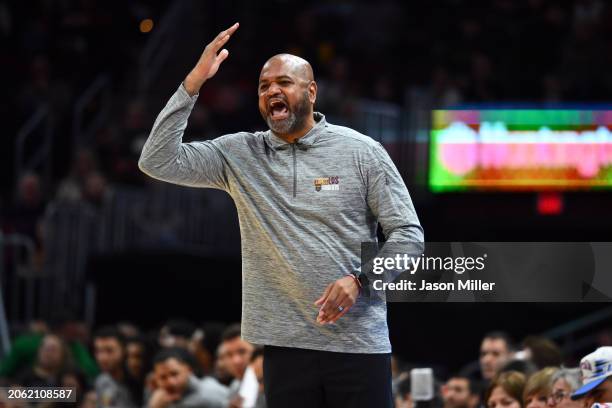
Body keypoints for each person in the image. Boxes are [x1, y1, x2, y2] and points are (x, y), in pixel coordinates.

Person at [138, 22, 423, 408]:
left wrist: (361, 279)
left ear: (311, 91)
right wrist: (192, 85)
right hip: (283, 348)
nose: (272, 90)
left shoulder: (362, 152)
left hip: (358, 345)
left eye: (284, 83)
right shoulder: (238, 154)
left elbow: (408, 237)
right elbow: (157, 160)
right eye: (263, 85)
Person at [147, 347, 228, 408]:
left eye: (174, 374)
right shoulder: (158, 398)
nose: (170, 382)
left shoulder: (211, 393)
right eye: (163, 377)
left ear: (189, 370)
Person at [92, 326, 139, 407]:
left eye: (109, 350)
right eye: (98, 351)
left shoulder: (138, 378)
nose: (102, 358)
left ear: (124, 350)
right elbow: (69, 395)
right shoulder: (101, 380)